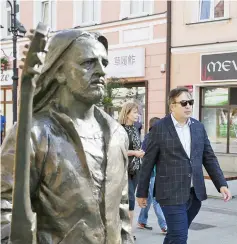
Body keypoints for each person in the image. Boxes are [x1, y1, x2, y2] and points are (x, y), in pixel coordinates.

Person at [1, 30, 134, 243]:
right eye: (88, 63)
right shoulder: (34, 133)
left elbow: (121, 206)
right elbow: (5, 204)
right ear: (60, 72)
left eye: (104, 63)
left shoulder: (117, 134)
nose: (101, 71)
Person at [136, 87, 232, 244]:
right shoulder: (159, 129)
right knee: (180, 237)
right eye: (184, 103)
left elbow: (209, 157)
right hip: (170, 194)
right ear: (172, 105)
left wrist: (221, 184)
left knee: (174, 235)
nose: (188, 106)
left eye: (190, 102)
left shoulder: (198, 127)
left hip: (194, 195)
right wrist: (142, 192)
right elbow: (148, 162)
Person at [118, 102, 145, 241]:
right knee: (129, 200)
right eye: (134, 112)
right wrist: (135, 152)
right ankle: (127, 231)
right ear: (127, 113)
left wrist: (140, 152)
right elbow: (119, 150)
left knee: (129, 200)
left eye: (138, 112)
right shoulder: (120, 129)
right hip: (124, 169)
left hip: (136, 169)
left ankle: (126, 230)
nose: (137, 115)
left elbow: (137, 145)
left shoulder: (136, 127)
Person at [137, 117, 167, 234]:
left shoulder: (152, 136)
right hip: (152, 174)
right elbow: (144, 155)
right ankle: (164, 225)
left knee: (149, 199)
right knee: (156, 199)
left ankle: (141, 221)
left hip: (155, 173)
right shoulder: (151, 138)